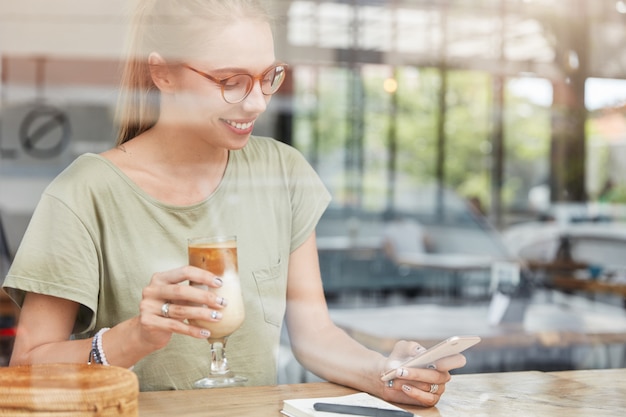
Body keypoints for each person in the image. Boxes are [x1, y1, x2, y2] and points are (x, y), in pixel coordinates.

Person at [2, 0, 466, 406]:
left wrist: (386, 374)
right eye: (231, 81)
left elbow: (316, 336)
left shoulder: (281, 173)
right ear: (162, 73)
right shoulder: (84, 192)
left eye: (268, 78)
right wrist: (132, 337)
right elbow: (27, 367)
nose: (257, 103)